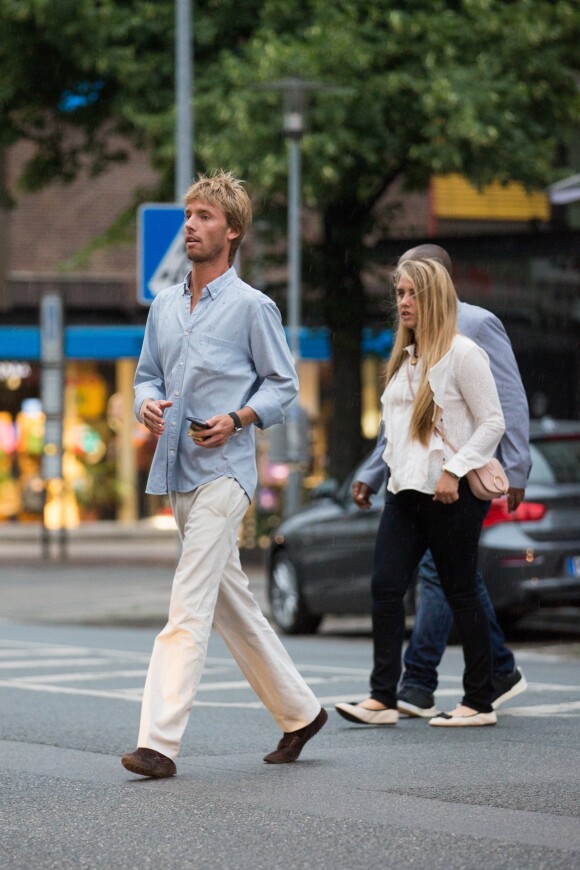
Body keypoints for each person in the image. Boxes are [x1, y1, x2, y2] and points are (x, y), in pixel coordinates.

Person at [122, 171, 326, 778]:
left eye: (205, 216)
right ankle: (301, 711)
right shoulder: (162, 306)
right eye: (188, 214)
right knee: (234, 605)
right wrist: (146, 404)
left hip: (226, 475)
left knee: (187, 604)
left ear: (232, 231)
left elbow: (283, 383)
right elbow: (145, 377)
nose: (190, 224)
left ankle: (158, 743)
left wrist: (238, 418)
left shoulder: (251, 307)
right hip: (177, 471)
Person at [350, 244, 530, 719]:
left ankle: (479, 699)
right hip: (404, 491)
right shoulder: (405, 359)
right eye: (399, 293)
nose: (402, 302)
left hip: (450, 493)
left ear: (433, 297)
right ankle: (383, 697)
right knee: (386, 585)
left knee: (459, 589)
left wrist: (457, 470)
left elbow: (495, 419)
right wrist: (375, 473)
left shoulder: (464, 351)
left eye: (411, 293)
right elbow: (396, 432)